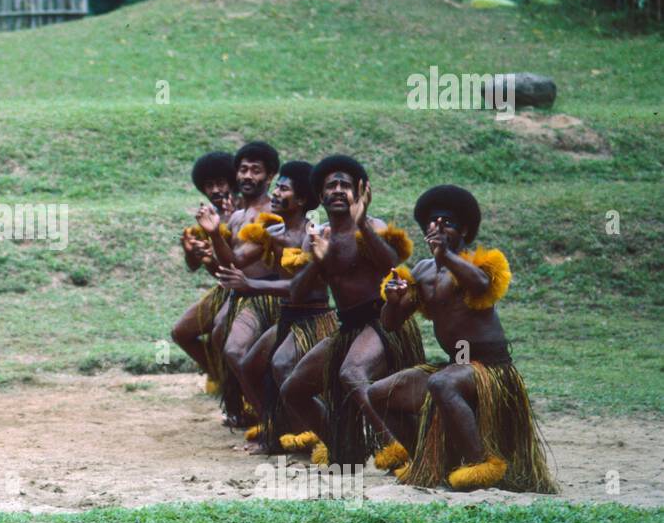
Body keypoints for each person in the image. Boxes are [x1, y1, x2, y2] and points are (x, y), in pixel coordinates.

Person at [368, 185, 557, 492]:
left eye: (448, 223)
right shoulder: (422, 271)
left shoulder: (478, 263)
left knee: (442, 383)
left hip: (489, 367)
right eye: (432, 222)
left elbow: (482, 286)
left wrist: (446, 255)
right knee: (379, 393)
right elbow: (390, 324)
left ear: (464, 231)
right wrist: (392, 300)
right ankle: (425, 461)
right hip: (455, 364)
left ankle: (482, 463)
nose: (438, 227)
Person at [278, 155, 423, 466]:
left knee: (352, 373)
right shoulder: (317, 237)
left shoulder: (374, 227)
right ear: (321, 195)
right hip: (348, 327)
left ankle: (397, 450)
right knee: (294, 389)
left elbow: (390, 265)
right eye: (332, 185)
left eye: (346, 185)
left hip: (382, 321)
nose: (339, 190)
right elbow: (296, 293)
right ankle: (344, 447)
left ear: (359, 193)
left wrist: (361, 225)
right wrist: (318, 261)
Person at [235, 161, 338, 454]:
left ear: (302, 200)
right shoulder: (275, 232)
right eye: (276, 186)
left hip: (313, 318)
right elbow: (234, 258)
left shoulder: (311, 235)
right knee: (249, 364)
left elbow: (300, 287)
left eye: (283, 188)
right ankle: (275, 430)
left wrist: (251, 286)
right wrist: (213, 239)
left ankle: (313, 435)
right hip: (288, 315)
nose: (276, 194)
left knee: (281, 365)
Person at [201, 141, 284, 430]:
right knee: (218, 336)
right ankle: (239, 409)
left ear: (270, 175)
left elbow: (236, 260)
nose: (247, 176)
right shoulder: (236, 216)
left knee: (236, 351)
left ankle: (271, 423)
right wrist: (205, 253)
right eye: (243, 169)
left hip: (267, 294)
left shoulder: (271, 215)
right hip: (240, 292)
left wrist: (214, 237)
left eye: (256, 170)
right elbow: (225, 267)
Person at [172, 152, 237, 396]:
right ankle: (224, 380)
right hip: (225, 290)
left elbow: (238, 266)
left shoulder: (246, 211)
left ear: (233, 181)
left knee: (227, 338)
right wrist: (192, 252)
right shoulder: (207, 217)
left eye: (221, 183)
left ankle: (242, 388)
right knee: (181, 332)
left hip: (252, 290)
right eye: (209, 185)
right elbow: (196, 267)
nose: (216, 190)